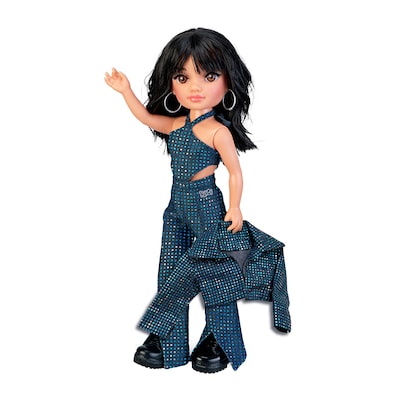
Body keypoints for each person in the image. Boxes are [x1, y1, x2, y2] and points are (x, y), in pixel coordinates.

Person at [105, 27, 290, 373]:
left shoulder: (218, 132)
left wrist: (235, 206)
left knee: (213, 271)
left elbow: (235, 173)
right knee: (170, 269)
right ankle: (167, 339)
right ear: (171, 83)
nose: (195, 87)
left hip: (207, 205)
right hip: (176, 205)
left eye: (209, 77)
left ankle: (218, 338)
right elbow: (146, 117)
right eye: (183, 77)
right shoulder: (176, 126)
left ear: (227, 82)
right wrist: (126, 90)